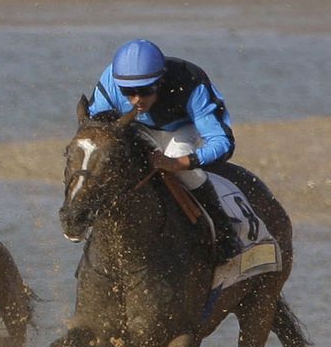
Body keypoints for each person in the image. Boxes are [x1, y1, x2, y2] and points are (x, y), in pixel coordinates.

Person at [88, 38, 239, 262]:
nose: (137, 100)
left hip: (180, 128)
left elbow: (223, 142)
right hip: (135, 129)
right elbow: (95, 133)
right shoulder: (110, 82)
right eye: (128, 92)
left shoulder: (189, 81)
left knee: (179, 160)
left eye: (145, 91)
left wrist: (177, 164)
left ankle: (224, 231)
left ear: (161, 81)